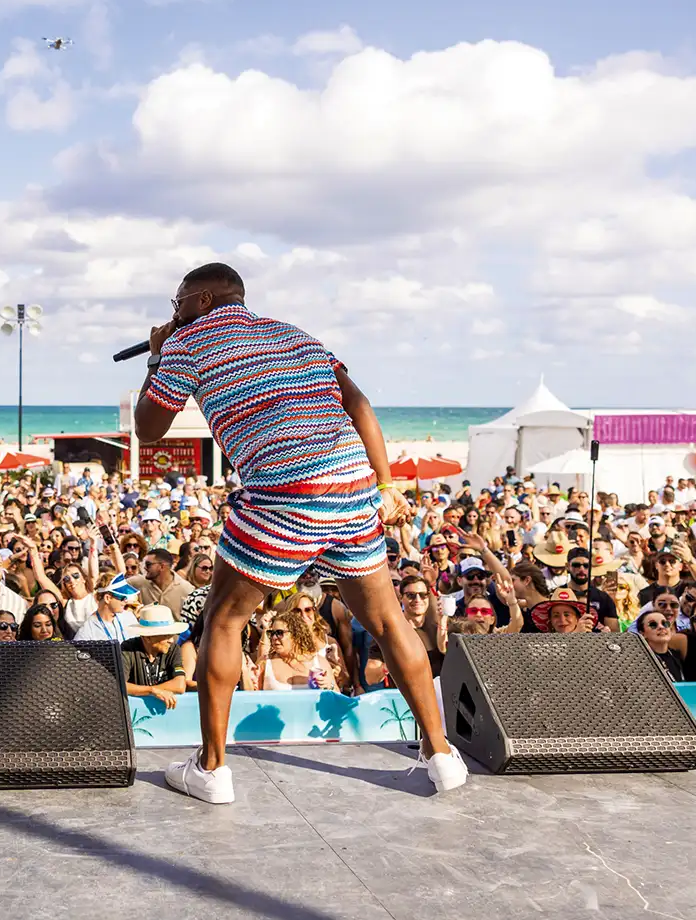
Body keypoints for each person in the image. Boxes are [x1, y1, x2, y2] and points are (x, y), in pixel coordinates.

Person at [135, 262, 465, 801]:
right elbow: (358, 403)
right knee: (388, 620)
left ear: (203, 300)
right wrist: (384, 483)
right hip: (351, 487)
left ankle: (212, 770)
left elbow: (148, 429)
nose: (174, 313)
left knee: (223, 621)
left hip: (281, 494)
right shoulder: (296, 335)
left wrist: (157, 355)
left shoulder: (186, 342)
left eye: (178, 303)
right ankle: (442, 755)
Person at [121, 604, 189, 707]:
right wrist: (152, 691)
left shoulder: (173, 649)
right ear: (147, 637)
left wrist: (146, 690)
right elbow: (120, 685)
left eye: (172, 635)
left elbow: (179, 685)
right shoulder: (128, 649)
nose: (171, 640)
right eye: (166, 635)